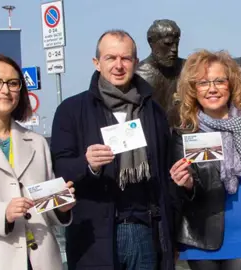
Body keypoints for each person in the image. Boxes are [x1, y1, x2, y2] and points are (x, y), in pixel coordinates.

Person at [51, 30, 175, 270]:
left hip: (145, 231)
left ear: (135, 63)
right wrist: (88, 164)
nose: (119, 65)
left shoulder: (153, 111)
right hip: (95, 236)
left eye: (126, 58)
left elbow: (165, 174)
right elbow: (60, 170)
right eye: (110, 58)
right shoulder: (71, 110)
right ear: (97, 63)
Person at [170, 50, 241, 270]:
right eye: (203, 83)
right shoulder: (184, 134)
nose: (212, 89)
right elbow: (179, 194)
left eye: (219, 81)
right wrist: (186, 184)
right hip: (202, 234)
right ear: (193, 90)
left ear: (231, 85)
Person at [0, 54, 74, 270]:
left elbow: (43, 203)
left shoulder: (37, 143)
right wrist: (2, 214)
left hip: (40, 260)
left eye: (13, 83)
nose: (5, 90)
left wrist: (61, 207)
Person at [136, 19, 185, 125]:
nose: (174, 49)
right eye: (167, 44)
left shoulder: (188, 69)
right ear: (151, 42)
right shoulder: (137, 76)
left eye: (176, 44)